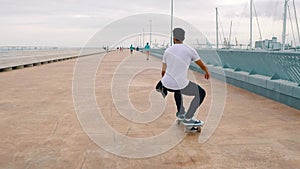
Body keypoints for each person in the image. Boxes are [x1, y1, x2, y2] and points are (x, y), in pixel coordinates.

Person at [157, 28, 210, 126]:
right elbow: (201, 65)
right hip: (179, 84)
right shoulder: (189, 50)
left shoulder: (168, 50)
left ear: (174, 38)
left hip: (166, 83)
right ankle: (188, 117)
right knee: (201, 93)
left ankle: (181, 113)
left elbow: (163, 71)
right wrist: (206, 71)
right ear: (184, 38)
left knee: (178, 89)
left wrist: (166, 83)